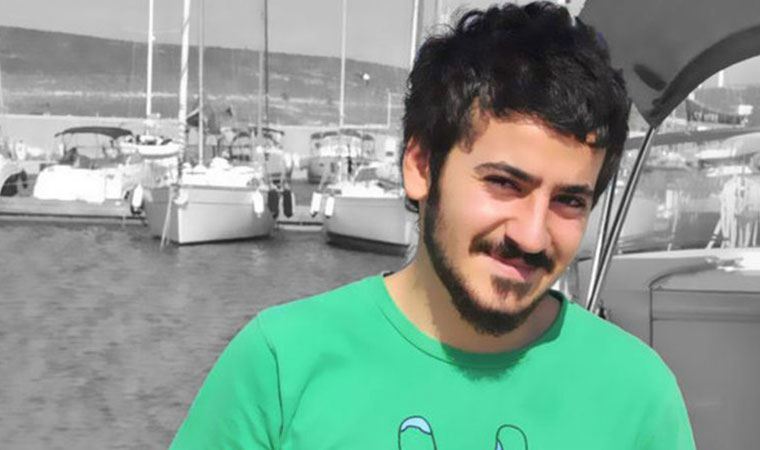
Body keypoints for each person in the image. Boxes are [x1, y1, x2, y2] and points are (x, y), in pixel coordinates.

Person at [169, 3, 695, 449]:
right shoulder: (281, 366)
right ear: (420, 166)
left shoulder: (639, 398)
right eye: (504, 183)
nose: (532, 235)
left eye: (569, 200)